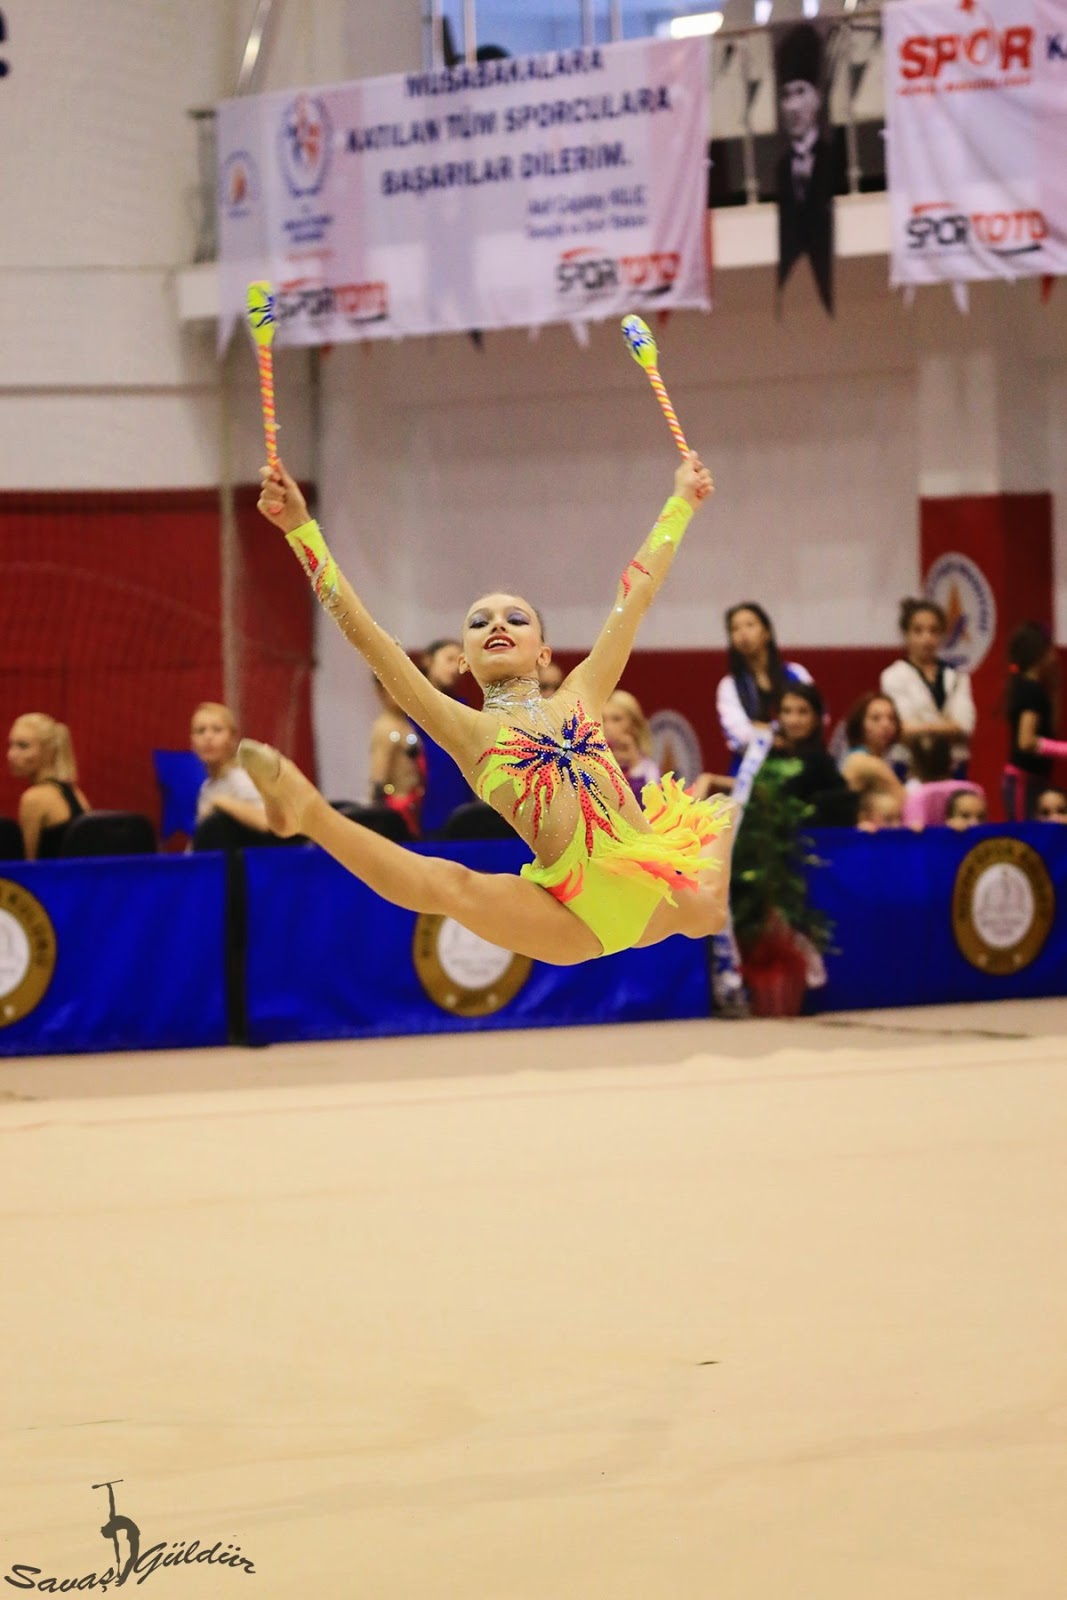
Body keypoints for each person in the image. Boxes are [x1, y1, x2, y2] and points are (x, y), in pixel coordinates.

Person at [240, 453, 732, 964]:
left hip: (651, 887)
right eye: (479, 623)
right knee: (450, 885)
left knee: (715, 903)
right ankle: (310, 814)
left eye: (515, 618)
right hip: (573, 916)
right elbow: (368, 637)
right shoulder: (469, 731)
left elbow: (638, 591)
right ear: (464, 661)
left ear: (544, 654)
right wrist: (300, 529)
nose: (497, 624)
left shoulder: (581, 694)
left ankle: (731, 814)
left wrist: (682, 500)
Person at [775, 22, 834, 314]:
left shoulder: (830, 158)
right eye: (786, 95)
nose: (793, 106)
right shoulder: (781, 168)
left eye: (800, 92)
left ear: (818, 97)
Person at [880, 599, 976, 775]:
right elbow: (904, 729)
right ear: (905, 634)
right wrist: (947, 727)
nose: (927, 638)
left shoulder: (957, 676)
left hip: (954, 766)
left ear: (942, 635)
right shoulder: (893, 676)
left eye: (934, 631)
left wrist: (923, 727)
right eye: (918, 631)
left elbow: (964, 726)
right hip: (910, 767)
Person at [716, 602, 813, 768]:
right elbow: (741, 736)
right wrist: (782, 731)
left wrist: (764, 728)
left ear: (766, 632)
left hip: (799, 761)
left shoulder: (796, 673)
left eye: (750, 625)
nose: (743, 633)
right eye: (735, 629)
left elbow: (818, 717)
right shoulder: (729, 686)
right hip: (750, 770)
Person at [6, 712, 90, 860]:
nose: (11, 755)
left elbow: (27, 865)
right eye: (10, 745)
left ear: (48, 751)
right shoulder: (75, 792)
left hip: (51, 875)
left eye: (23, 746)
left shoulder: (34, 799)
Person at [1003, 622, 1065, 821]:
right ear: (1040, 653)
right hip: (1023, 779)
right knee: (1026, 832)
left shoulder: (1037, 689)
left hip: (1035, 778)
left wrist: (1055, 691)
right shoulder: (1030, 690)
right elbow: (1026, 740)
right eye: (1050, 650)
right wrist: (1063, 750)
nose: (1054, 657)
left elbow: (1050, 729)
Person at [190, 702, 269, 836]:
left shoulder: (242, 778)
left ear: (232, 738)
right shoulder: (206, 788)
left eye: (217, 730)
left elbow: (267, 823)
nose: (208, 737)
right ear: (193, 742)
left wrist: (221, 802)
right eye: (201, 731)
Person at [369, 675, 425, 836]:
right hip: (397, 808)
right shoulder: (385, 728)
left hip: (415, 803)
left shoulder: (405, 723)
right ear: (381, 691)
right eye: (395, 689)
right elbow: (378, 779)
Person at [602, 690, 662, 803]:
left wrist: (634, 764)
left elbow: (647, 807)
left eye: (616, 719)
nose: (607, 726)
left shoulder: (648, 769)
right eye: (603, 719)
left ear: (633, 725)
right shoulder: (589, 761)